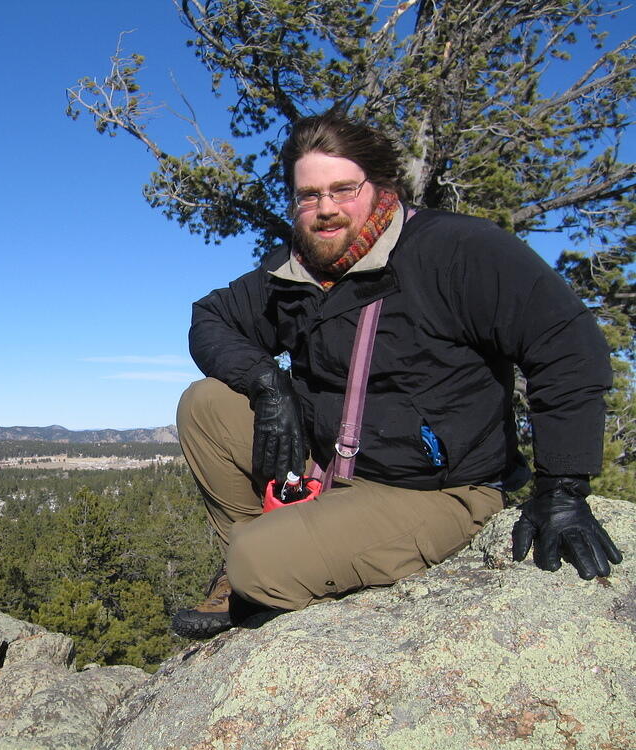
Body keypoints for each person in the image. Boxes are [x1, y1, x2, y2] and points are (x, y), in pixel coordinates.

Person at [171, 112, 623, 639]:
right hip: (331, 467)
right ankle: (253, 561)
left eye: (344, 189)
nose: (326, 210)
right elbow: (212, 317)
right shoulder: (297, 269)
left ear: (380, 185)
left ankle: (263, 568)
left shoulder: (454, 251)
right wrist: (268, 385)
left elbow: (567, 343)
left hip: (436, 491)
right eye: (308, 195)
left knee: (259, 564)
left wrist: (563, 486)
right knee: (205, 404)